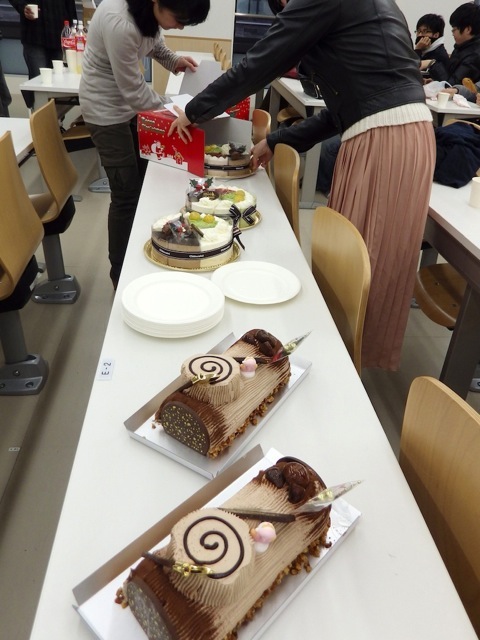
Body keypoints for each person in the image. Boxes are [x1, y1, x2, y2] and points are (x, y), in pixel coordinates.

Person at [169, 0, 435, 371]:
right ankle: (342, 355)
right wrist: (278, 139)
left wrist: (194, 110)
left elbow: (259, 63)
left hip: (385, 136)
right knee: (363, 256)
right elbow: (345, 109)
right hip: (399, 133)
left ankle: (343, 365)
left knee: (361, 261)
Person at [79, 0, 210, 289]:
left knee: (142, 186)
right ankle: (120, 273)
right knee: (125, 195)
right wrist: (177, 107)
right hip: (105, 112)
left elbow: (153, 43)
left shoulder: (146, 14)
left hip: (128, 109)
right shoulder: (120, 23)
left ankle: (142, 255)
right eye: (179, 18)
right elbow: (136, 94)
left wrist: (174, 61)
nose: (180, 27)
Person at [9, 0, 77, 108]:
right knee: (38, 83)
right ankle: (38, 115)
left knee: (61, 85)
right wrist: (22, 7)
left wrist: (73, 29)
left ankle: (55, 118)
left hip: (59, 32)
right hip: (34, 33)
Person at [424, 3, 480, 85]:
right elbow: (449, 76)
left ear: (468, 29)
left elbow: (452, 85)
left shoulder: (475, 56)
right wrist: (435, 81)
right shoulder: (461, 48)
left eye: (454, 29)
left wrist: (432, 64)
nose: (452, 33)